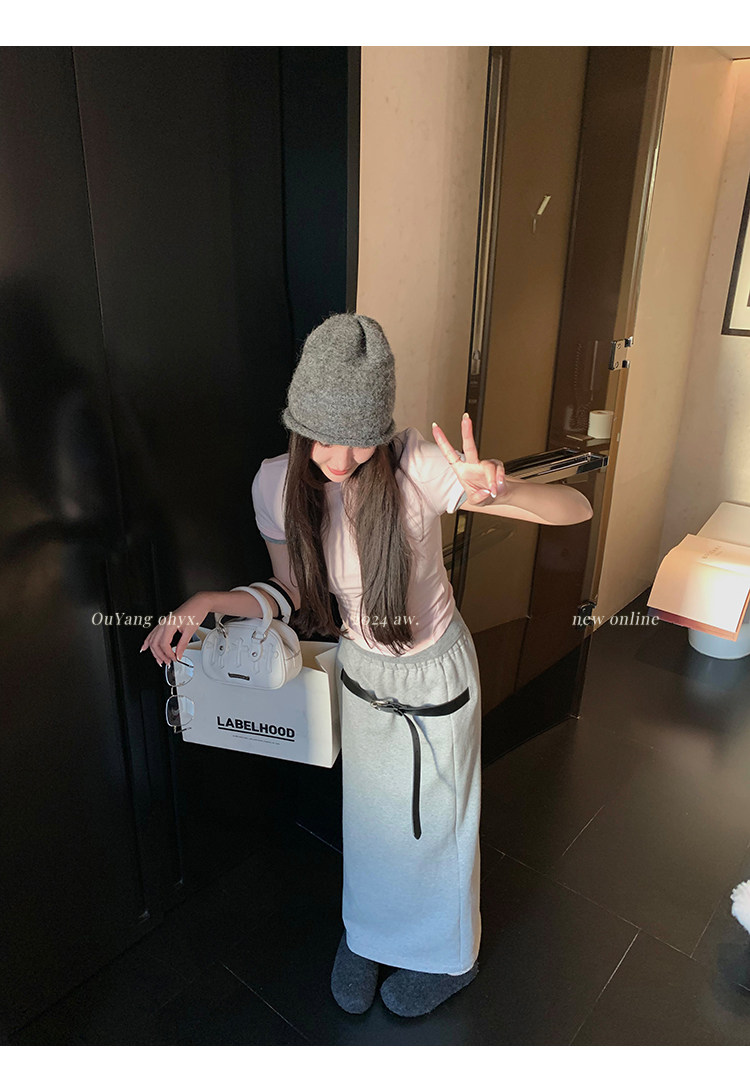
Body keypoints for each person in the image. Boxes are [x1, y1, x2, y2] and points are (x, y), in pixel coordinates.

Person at [141, 313, 594, 1018]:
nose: (341, 457)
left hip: (435, 673)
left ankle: (448, 956)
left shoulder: (417, 466)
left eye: (359, 438)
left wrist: (501, 491)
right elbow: (293, 591)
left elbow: (575, 508)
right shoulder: (274, 485)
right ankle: (369, 935)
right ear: (300, 422)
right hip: (363, 674)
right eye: (324, 436)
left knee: (436, 825)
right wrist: (206, 603)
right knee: (375, 822)